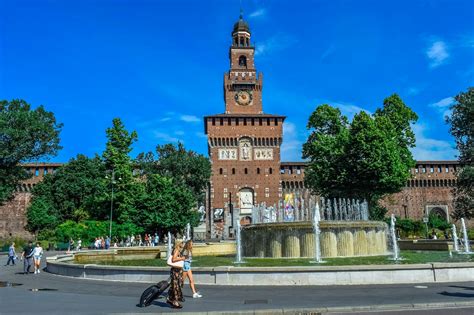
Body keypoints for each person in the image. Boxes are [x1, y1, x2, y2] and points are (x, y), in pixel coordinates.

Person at [167, 240, 185, 309]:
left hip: (177, 271)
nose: (183, 244)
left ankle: (170, 299)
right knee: (176, 286)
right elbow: (173, 260)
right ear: (179, 243)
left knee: (175, 286)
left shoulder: (177, 250)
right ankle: (175, 302)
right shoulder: (176, 250)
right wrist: (182, 258)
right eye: (182, 243)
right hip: (175, 272)